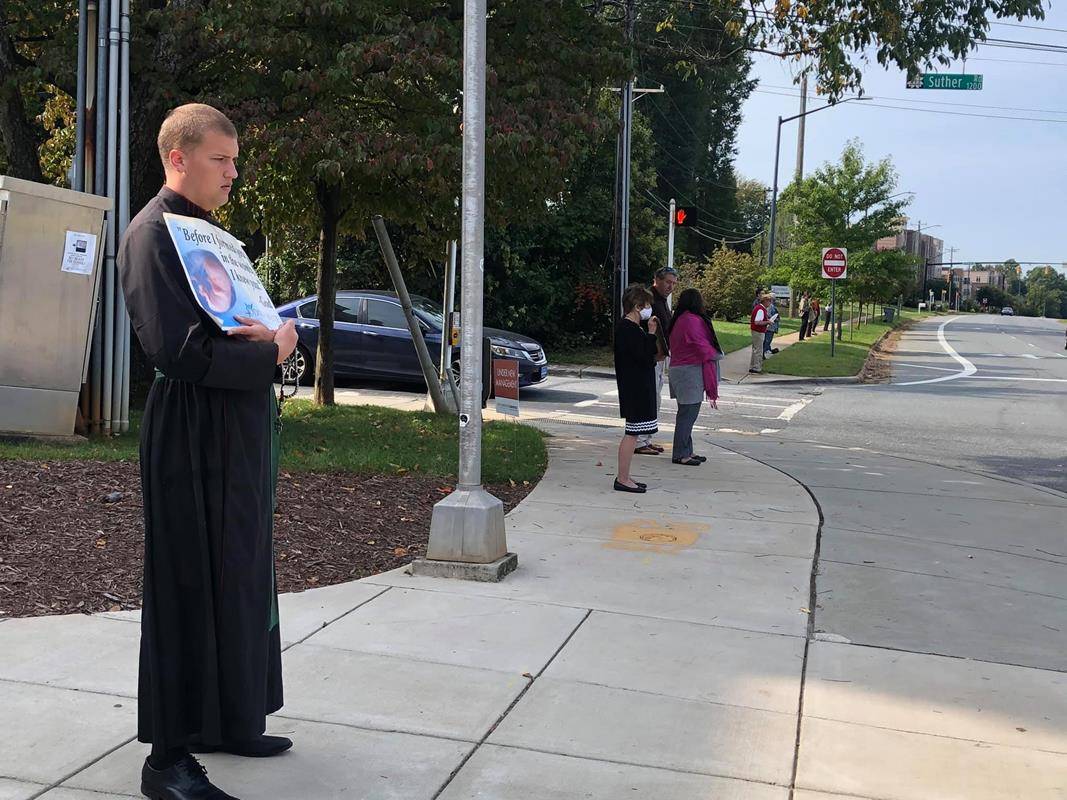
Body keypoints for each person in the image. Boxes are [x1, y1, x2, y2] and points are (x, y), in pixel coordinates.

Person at [118, 103, 299, 800]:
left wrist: (275, 340)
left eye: (234, 158)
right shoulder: (152, 236)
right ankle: (167, 758)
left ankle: (227, 718)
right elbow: (179, 351)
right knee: (189, 579)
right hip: (190, 429)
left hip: (233, 427)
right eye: (220, 159)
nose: (233, 171)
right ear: (178, 158)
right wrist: (273, 352)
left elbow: (237, 326)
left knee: (240, 573)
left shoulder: (204, 235)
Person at [614, 284, 659, 492]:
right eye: (646, 304)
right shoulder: (627, 329)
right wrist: (651, 334)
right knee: (631, 434)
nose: (649, 308)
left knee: (633, 434)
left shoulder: (632, 329)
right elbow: (644, 356)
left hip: (637, 386)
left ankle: (625, 476)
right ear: (637, 306)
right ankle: (622, 478)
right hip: (635, 388)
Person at [668, 289, 720, 466]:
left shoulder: (681, 319)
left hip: (681, 370)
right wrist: (716, 354)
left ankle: (686, 450)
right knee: (687, 415)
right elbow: (700, 344)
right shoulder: (691, 320)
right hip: (689, 372)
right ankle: (681, 454)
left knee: (686, 414)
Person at [634, 266, 677, 457]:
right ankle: (640, 440)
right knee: (648, 397)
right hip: (649, 355)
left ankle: (646, 438)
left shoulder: (661, 300)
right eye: (668, 282)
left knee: (655, 397)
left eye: (674, 283)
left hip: (659, 355)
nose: (671, 287)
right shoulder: (648, 300)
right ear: (656, 280)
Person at [749, 293, 773, 373]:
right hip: (758, 331)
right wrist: (768, 322)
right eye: (769, 301)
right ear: (765, 301)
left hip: (757, 331)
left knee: (755, 349)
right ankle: (756, 367)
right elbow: (757, 322)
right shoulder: (760, 310)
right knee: (758, 350)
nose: (770, 303)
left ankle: (753, 366)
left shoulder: (760, 308)